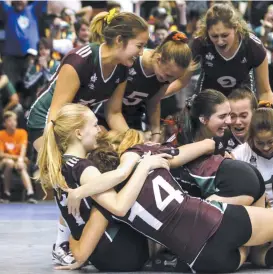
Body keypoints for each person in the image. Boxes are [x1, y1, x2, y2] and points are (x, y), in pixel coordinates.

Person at [37, 103, 273, 273]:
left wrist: (80, 194)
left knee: (256, 251)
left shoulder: (111, 174)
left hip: (204, 260)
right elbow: (120, 194)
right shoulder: (138, 157)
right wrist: (150, 159)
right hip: (213, 219)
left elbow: (112, 200)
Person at [35, 104, 176, 271]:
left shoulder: (61, 166)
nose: (99, 131)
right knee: (141, 190)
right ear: (79, 133)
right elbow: (119, 206)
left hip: (98, 255)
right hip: (122, 253)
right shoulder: (83, 168)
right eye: (94, 125)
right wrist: (144, 166)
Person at [26, 9, 149, 152]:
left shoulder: (123, 67)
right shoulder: (81, 60)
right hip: (46, 121)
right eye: (139, 46)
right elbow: (56, 112)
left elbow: (113, 113)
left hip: (76, 124)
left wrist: (134, 141)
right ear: (119, 40)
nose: (141, 53)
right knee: (71, 169)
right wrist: (54, 155)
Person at [165, 4, 273, 128]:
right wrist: (157, 95)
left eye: (225, 35)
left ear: (236, 28)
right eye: (214, 36)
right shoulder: (200, 43)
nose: (219, 41)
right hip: (209, 100)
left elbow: (265, 92)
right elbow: (181, 80)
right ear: (207, 32)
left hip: (241, 100)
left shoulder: (253, 47)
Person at [94, 31, 193, 143]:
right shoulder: (131, 60)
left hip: (133, 119)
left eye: (174, 78)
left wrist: (156, 132)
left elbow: (154, 103)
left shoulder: (164, 76)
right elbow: (113, 111)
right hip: (106, 115)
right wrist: (132, 140)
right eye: (168, 75)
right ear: (158, 59)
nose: (169, 81)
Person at [173, 89, 265, 206]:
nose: (229, 121)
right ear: (203, 119)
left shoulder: (221, 134)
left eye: (228, 115)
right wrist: (206, 146)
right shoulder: (181, 138)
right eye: (222, 116)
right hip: (245, 183)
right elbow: (167, 160)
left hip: (247, 183)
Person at [0, 111, 35, 203]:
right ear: (4, 123)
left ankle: (30, 193)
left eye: (14, 120)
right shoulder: (1, 134)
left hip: (18, 161)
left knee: (21, 166)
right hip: (4, 162)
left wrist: (20, 159)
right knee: (9, 163)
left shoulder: (22, 132)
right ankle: (6, 193)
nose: (13, 122)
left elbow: (23, 149)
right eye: (9, 120)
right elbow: (1, 154)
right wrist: (19, 158)